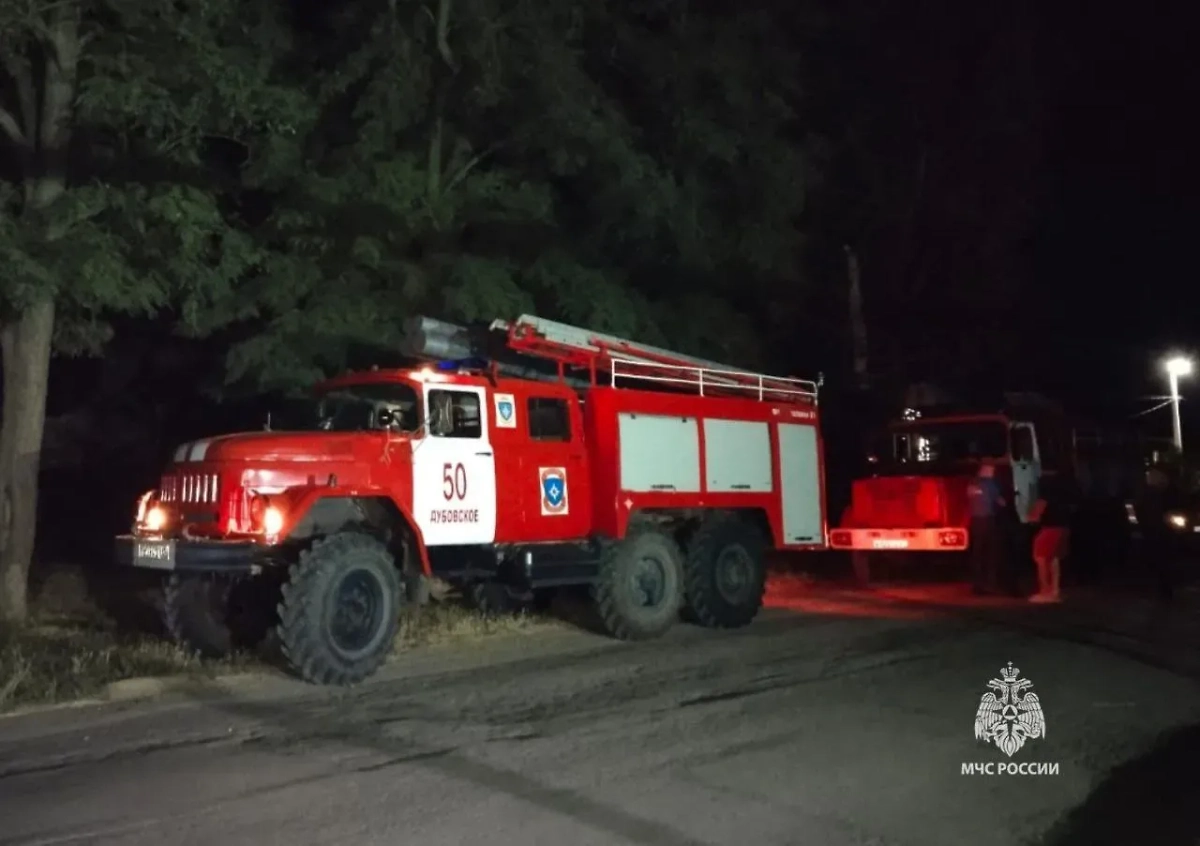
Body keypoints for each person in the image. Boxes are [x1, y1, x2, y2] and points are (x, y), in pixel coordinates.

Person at [1132, 466, 1180, 601]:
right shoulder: (1150, 494)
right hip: (1156, 530)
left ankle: (1163, 589)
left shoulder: (1160, 494)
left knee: (1162, 560)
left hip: (1159, 531)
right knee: (1161, 560)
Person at [967, 462, 1007, 594]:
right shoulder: (987, 483)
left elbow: (973, 498)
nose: (992, 472)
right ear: (984, 469)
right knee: (988, 552)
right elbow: (998, 500)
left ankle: (981, 584)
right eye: (990, 470)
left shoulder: (976, 483)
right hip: (985, 519)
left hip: (980, 520)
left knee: (981, 553)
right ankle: (987, 583)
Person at [1028, 478, 1070, 603]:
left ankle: (1045, 591)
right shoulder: (1063, 496)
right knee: (1054, 559)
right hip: (1063, 529)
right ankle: (1055, 590)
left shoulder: (1043, 497)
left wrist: (1030, 512)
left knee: (1041, 558)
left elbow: (1034, 516)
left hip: (1049, 529)